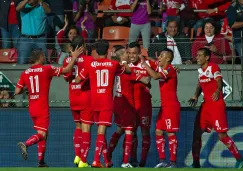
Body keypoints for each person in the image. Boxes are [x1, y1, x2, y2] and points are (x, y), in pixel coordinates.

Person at [15, 47, 83, 167]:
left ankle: (41, 162)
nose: (45, 57)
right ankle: (26, 144)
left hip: (32, 108)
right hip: (42, 107)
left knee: (44, 134)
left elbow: (17, 91)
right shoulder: (47, 69)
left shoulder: (25, 72)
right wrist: (74, 57)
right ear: (40, 57)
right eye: (44, 56)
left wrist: (28, 88)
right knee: (42, 134)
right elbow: (67, 69)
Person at [75, 39, 131, 168]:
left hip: (94, 102)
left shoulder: (90, 65)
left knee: (101, 131)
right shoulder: (113, 64)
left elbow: (77, 80)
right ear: (107, 51)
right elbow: (127, 71)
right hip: (106, 102)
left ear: (96, 51)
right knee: (102, 130)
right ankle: (96, 160)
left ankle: (106, 160)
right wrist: (123, 60)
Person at [189, 47, 243, 168]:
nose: (197, 57)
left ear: (207, 57)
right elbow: (200, 83)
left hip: (216, 105)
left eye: (199, 55)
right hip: (205, 106)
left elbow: (219, 80)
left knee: (222, 135)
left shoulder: (213, 67)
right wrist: (195, 95)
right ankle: (196, 163)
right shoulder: (200, 70)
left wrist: (218, 90)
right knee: (196, 133)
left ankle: (239, 159)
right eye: (196, 55)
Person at [107, 46, 150, 168]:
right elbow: (146, 80)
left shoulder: (116, 67)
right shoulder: (127, 70)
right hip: (127, 103)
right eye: (126, 53)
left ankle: (108, 153)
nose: (128, 55)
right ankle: (126, 161)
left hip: (117, 101)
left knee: (120, 129)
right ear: (122, 57)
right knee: (129, 131)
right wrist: (140, 75)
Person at [141, 48, 180, 168]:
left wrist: (144, 64)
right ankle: (162, 160)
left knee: (170, 133)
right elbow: (153, 63)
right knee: (158, 131)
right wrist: (145, 58)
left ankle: (173, 162)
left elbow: (156, 76)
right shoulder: (163, 67)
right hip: (165, 106)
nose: (159, 57)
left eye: (162, 55)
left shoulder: (170, 69)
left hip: (171, 106)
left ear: (168, 58)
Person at [63, 36, 93, 167]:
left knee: (78, 127)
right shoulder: (89, 60)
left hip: (73, 97)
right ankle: (83, 161)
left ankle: (77, 155)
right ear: (83, 47)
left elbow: (66, 78)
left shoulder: (67, 60)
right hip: (86, 96)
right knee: (86, 128)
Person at [127, 42, 157, 167]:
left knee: (145, 132)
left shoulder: (148, 64)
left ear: (139, 53)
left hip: (144, 104)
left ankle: (143, 160)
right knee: (132, 133)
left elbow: (163, 67)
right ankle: (132, 158)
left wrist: (174, 68)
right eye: (129, 53)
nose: (132, 56)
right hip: (130, 105)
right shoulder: (125, 65)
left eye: (134, 53)